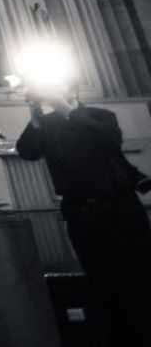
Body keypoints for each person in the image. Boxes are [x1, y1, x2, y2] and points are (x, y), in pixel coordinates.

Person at [16, 82, 151, 346]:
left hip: (121, 211)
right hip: (83, 215)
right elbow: (27, 151)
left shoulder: (101, 117)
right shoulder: (48, 124)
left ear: (74, 92)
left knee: (140, 279)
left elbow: (106, 138)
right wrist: (35, 116)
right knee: (102, 284)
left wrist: (64, 108)